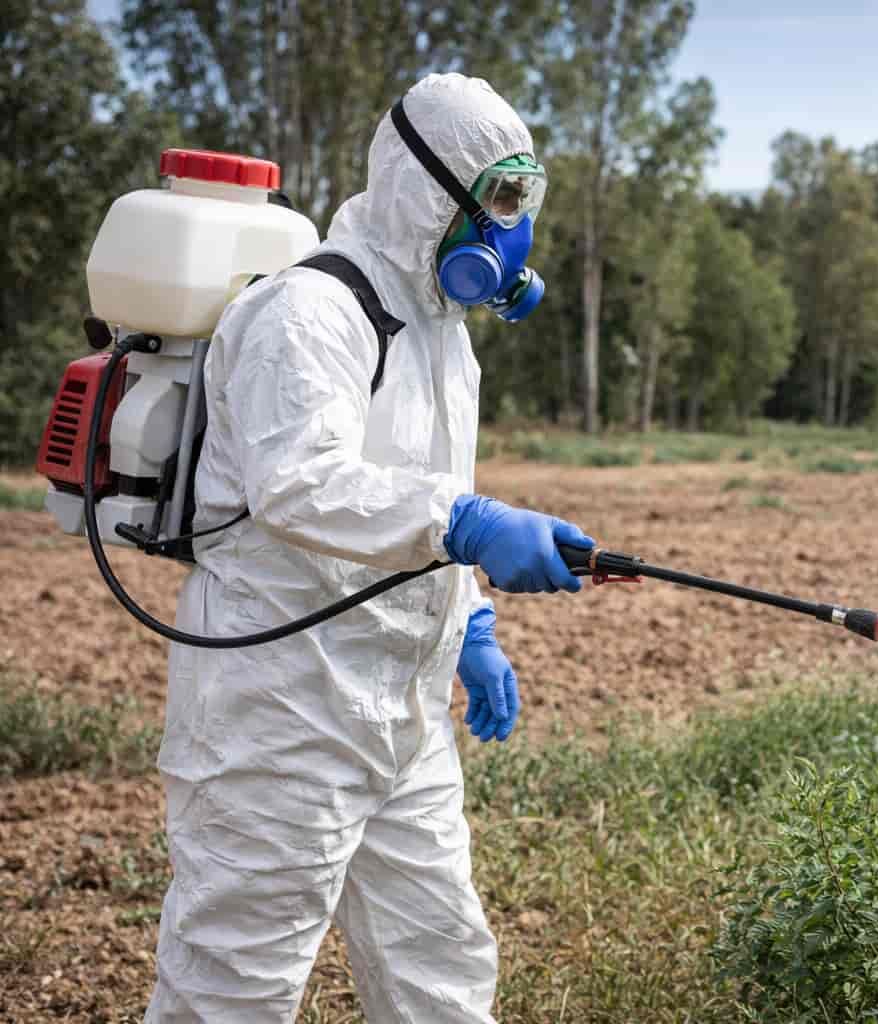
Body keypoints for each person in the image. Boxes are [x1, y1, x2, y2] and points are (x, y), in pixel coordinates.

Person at [144, 72, 585, 1022]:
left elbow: (427, 477)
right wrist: (466, 525)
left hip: (402, 708)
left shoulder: (442, 329)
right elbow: (299, 482)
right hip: (283, 706)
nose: (512, 226)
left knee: (442, 964)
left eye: (523, 199)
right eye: (501, 197)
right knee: (235, 984)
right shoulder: (308, 313)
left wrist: (470, 623)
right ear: (430, 191)